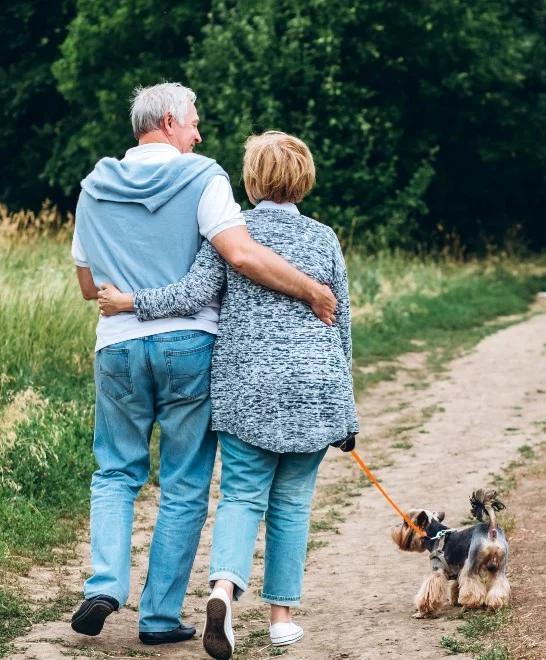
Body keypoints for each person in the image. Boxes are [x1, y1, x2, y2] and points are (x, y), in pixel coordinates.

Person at [68, 84, 336, 647]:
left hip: (115, 343)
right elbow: (238, 254)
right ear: (168, 121)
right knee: (186, 484)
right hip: (188, 347)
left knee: (115, 472)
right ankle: (160, 618)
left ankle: (107, 583)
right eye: (193, 121)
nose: (199, 132)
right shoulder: (203, 177)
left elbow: (88, 284)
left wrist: (129, 293)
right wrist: (312, 291)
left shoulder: (92, 188)